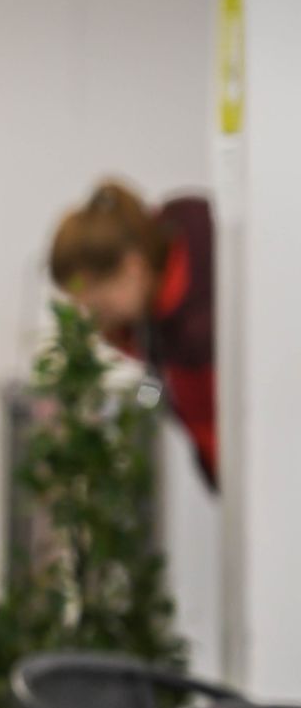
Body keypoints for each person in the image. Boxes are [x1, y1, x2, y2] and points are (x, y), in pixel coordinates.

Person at [49, 180, 215, 486]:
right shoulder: (157, 313)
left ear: (133, 268)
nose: (95, 319)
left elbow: (208, 431)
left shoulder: (196, 332)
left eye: (100, 305)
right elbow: (156, 385)